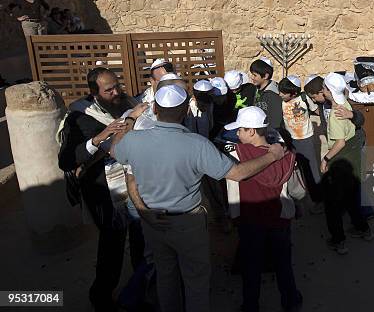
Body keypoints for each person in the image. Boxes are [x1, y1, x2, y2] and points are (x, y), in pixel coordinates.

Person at [112, 85, 287, 312]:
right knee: (196, 280)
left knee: (166, 275)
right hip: (188, 223)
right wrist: (272, 155)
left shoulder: (133, 140)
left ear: (154, 108)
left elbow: (116, 151)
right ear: (186, 110)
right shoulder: (197, 144)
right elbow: (238, 173)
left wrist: (129, 120)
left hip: (152, 220)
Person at [58, 67, 147, 311]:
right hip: (104, 191)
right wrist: (99, 139)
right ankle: (101, 296)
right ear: (94, 93)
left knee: (141, 237)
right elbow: (66, 160)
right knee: (112, 246)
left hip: (135, 183)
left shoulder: (126, 102)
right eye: (109, 90)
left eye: (117, 85)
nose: (116, 92)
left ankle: (140, 288)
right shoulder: (79, 116)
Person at [223, 106, 304, 312]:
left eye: (240, 130)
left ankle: (251, 305)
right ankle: (291, 300)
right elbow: (298, 191)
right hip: (280, 218)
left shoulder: (237, 154)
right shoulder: (285, 154)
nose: (237, 134)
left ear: (251, 131)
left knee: (251, 267)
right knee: (283, 264)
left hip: (249, 220)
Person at [304, 75, 374, 218]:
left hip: (354, 144)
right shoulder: (323, 104)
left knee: (357, 180)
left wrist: (351, 115)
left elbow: (361, 120)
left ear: (322, 92)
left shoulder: (340, 103)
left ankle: (366, 213)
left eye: (313, 97)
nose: (313, 100)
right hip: (341, 147)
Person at [318, 73, 373, 254]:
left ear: (329, 91)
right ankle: (363, 229)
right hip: (353, 160)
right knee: (351, 199)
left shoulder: (335, 115)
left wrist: (325, 159)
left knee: (333, 205)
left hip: (340, 162)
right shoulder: (345, 105)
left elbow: (339, 142)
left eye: (325, 88)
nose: (323, 91)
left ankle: (338, 241)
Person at [278, 75, 323, 212]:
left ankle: (318, 200)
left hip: (305, 139)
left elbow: (317, 111)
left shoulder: (305, 99)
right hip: (290, 140)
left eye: (284, 93)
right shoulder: (281, 101)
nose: (280, 94)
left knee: (311, 170)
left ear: (294, 93)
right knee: (293, 169)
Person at [249, 57, 283, 129]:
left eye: (255, 75)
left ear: (265, 76)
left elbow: (276, 122)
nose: (252, 77)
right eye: (252, 74)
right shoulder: (257, 88)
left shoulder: (273, 95)